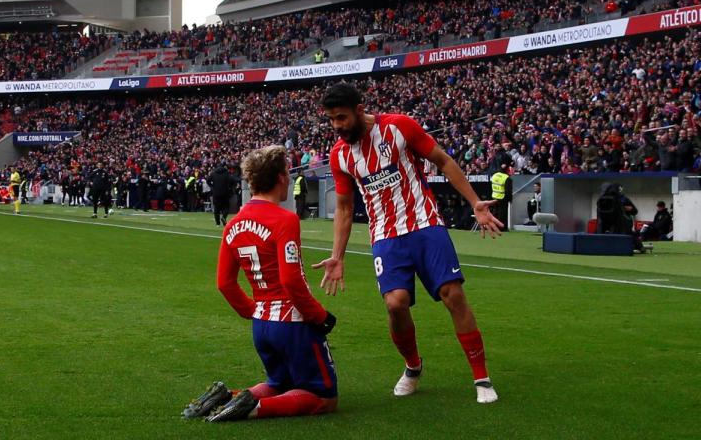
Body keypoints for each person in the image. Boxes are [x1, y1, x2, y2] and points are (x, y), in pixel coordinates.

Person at [312, 83, 501, 404]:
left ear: (359, 110)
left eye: (341, 117)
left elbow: (442, 160)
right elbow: (344, 207)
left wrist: (474, 202)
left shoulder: (399, 127)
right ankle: (413, 367)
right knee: (395, 303)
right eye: (331, 120)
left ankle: (481, 377)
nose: (337, 126)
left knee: (452, 294)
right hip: (385, 236)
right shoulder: (340, 155)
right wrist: (337, 256)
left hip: (426, 225)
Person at [186, 145, 338, 422]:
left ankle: (227, 398)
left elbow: (225, 283)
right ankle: (254, 408)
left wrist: (252, 311)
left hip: (261, 325)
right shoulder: (285, 219)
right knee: (324, 397)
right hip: (292, 322)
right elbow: (291, 279)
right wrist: (319, 315)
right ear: (281, 177)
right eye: (287, 173)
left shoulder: (234, 224)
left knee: (279, 383)